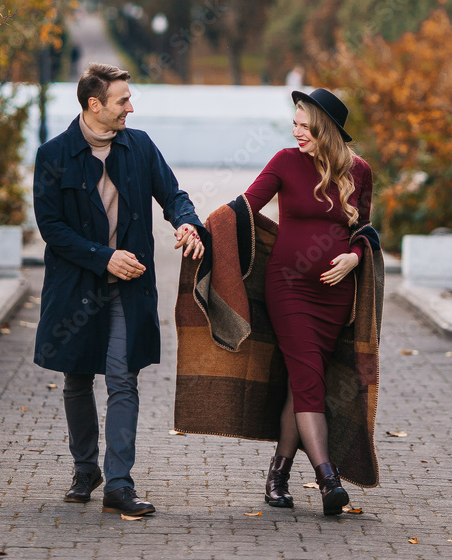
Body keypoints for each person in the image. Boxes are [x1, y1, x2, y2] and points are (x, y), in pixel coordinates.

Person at [32, 62, 204, 518]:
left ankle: (119, 483)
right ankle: (85, 468)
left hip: (129, 288)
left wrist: (187, 222)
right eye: (123, 100)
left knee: (123, 377)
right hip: (75, 288)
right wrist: (103, 255)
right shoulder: (53, 155)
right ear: (95, 105)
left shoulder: (140, 146)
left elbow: (173, 194)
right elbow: (51, 227)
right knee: (77, 377)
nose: (131, 106)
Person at [244, 87, 374, 515]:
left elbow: (366, 233)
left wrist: (354, 259)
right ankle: (327, 479)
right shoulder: (284, 162)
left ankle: (278, 475)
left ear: (327, 131)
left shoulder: (359, 172)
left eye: (305, 127)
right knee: (308, 380)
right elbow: (245, 207)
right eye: (295, 124)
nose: (296, 132)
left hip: (334, 297)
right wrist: (198, 229)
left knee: (305, 384)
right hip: (288, 288)